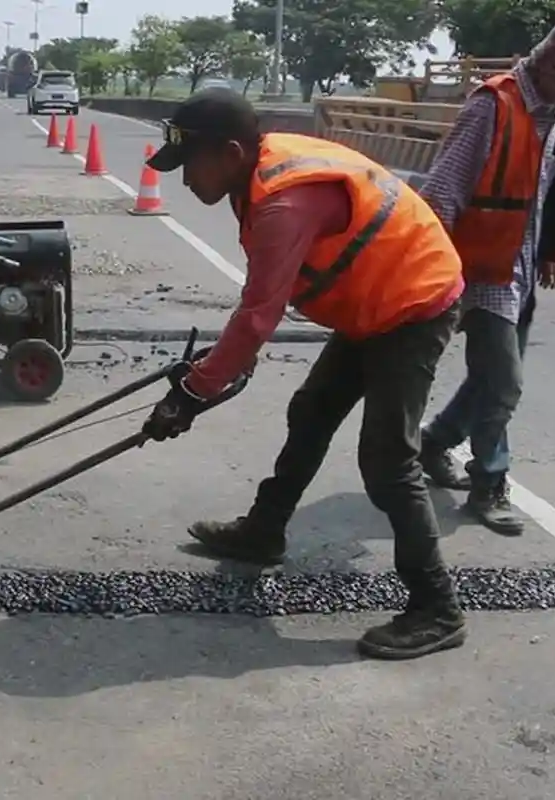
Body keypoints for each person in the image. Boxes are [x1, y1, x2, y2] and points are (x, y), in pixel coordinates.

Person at [141, 89, 469, 660]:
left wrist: (192, 392)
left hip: (413, 303)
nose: (184, 180)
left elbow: (257, 316)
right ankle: (265, 530)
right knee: (312, 410)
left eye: (190, 164)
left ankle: (436, 607)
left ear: (233, 152)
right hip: (372, 302)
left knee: (388, 461)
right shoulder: (259, 176)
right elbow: (267, 303)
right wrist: (220, 368)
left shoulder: (282, 202)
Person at [416, 13, 555, 535]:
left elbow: (539, 186)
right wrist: (433, 272)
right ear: (550, 56)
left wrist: (544, 246)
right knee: (504, 383)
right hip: (475, 270)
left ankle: (435, 441)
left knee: (491, 376)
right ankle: (489, 482)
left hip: (517, 266)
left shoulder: (551, 110)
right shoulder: (492, 105)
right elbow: (442, 191)